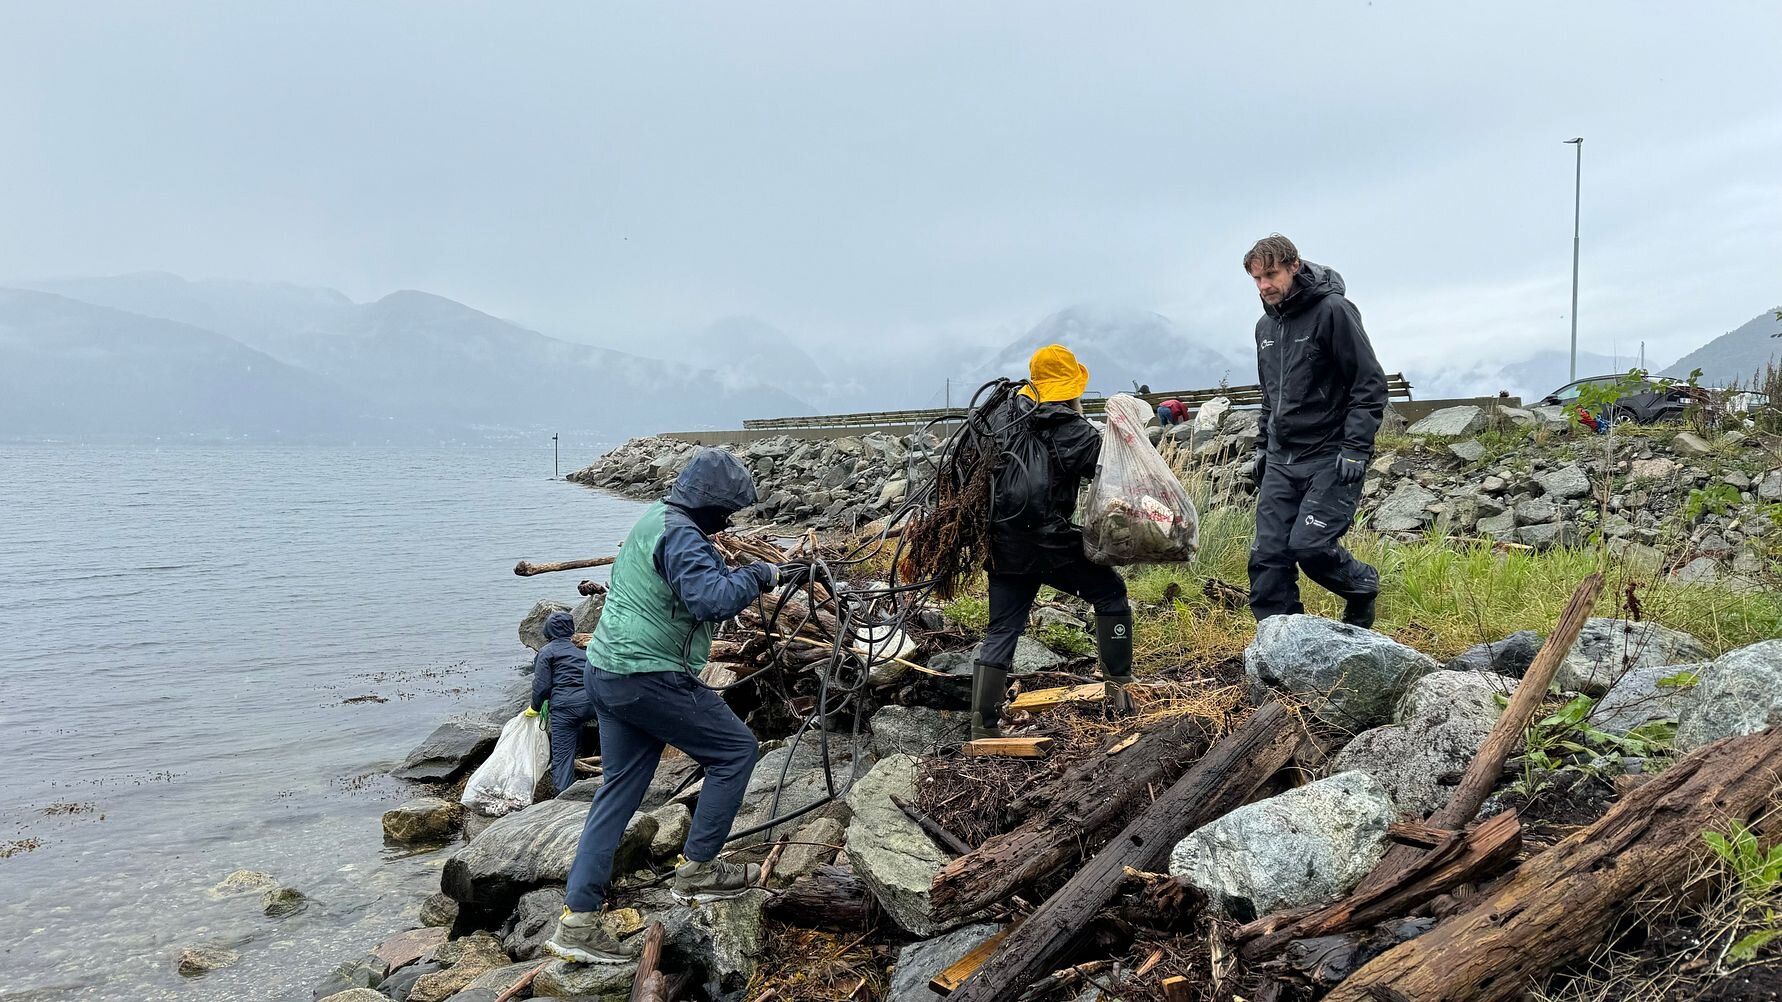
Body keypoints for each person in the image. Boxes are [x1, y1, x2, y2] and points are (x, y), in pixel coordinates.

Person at [544, 448, 786, 963]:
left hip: (606, 672)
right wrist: (761, 576)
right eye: (727, 511)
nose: (729, 521)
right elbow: (711, 600)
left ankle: (578, 922)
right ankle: (698, 871)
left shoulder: (657, 517)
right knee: (736, 752)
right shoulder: (681, 535)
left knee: (618, 790)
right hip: (646, 676)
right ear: (710, 504)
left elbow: (695, 584)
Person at [972, 344, 1135, 740]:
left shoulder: (1000, 416)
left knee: (1001, 630)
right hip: (1052, 544)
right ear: (1071, 388)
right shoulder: (1073, 430)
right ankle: (1120, 697)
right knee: (1110, 593)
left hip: (1004, 545)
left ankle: (982, 727)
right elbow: (1111, 471)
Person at [1243, 234, 1387, 627]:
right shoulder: (1264, 328)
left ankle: (1360, 585)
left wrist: (1356, 447)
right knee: (1267, 557)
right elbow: (1270, 396)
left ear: (1294, 266)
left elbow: (1369, 385)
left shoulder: (1333, 311)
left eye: (1270, 275)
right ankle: (1280, 644)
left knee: (1311, 547)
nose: (1263, 286)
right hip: (1281, 458)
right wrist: (1262, 448)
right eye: (1256, 279)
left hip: (1331, 455)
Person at [525, 609, 593, 796]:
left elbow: (542, 686)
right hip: (593, 703)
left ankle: (564, 796)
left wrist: (535, 707)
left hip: (564, 709)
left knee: (562, 756)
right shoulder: (585, 648)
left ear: (548, 631)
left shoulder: (547, 652)